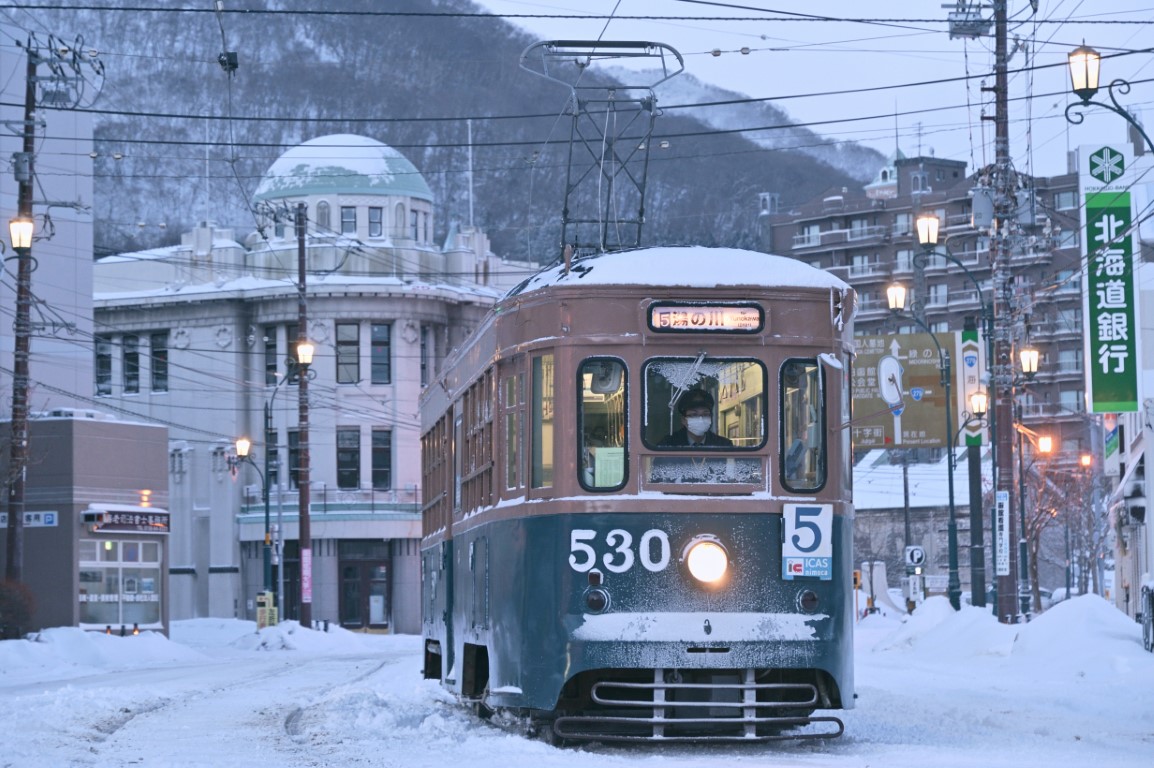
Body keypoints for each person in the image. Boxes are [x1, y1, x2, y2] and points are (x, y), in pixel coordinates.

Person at [659, 388, 733, 447]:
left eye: (705, 414)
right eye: (694, 415)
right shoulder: (668, 445)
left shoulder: (723, 445)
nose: (700, 419)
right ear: (683, 420)